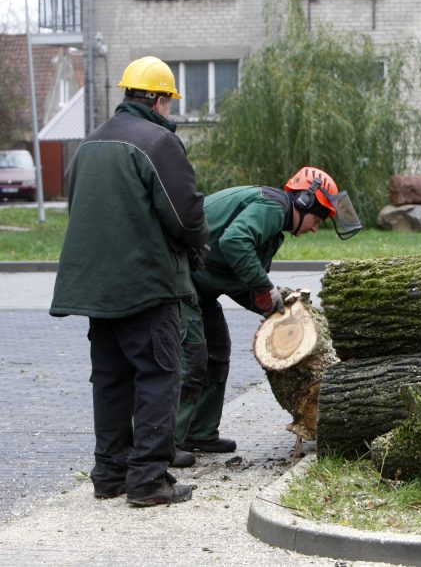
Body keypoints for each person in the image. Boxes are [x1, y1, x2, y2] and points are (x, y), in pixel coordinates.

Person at [49, 56, 210, 506]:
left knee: (111, 379)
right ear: (159, 99)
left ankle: (109, 474)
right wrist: (198, 246)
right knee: (159, 374)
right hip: (146, 284)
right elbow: (187, 215)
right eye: (169, 101)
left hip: (96, 289)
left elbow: (78, 206)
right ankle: (148, 481)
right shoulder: (158, 142)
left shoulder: (91, 143)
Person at [174, 166, 361, 460]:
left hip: (202, 284)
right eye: (317, 220)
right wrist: (264, 288)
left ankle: (200, 432)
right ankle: (167, 444)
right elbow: (234, 243)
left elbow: (238, 276)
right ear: (303, 203)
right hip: (180, 277)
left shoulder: (275, 229)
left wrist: (272, 306)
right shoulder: (272, 209)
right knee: (193, 357)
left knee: (218, 351)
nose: (314, 228)